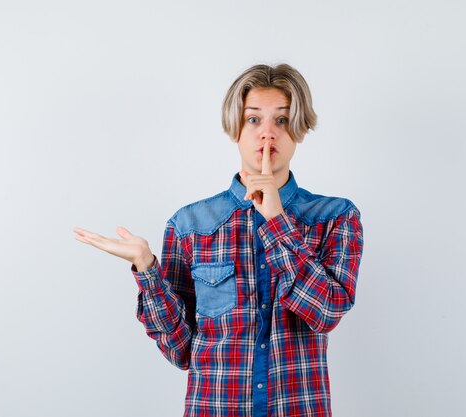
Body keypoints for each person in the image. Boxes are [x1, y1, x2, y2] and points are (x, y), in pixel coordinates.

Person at [74, 63, 364, 417]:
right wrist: (147, 268)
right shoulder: (190, 225)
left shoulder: (334, 217)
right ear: (235, 128)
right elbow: (181, 351)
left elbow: (327, 312)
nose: (268, 134)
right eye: (254, 119)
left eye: (283, 120)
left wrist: (275, 220)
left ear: (300, 130)